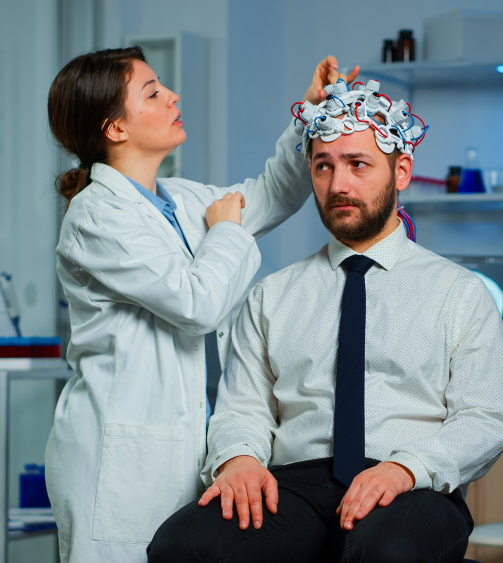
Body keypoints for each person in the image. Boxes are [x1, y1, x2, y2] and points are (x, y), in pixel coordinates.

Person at [146, 80, 503, 563]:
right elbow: (242, 409)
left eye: (358, 164)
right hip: (293, 486)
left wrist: (407, 468)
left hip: (409, 482)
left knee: (390, 550)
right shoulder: (272, 296)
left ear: (400, 171)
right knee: (184, 546)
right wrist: (238, 457)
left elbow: (486, 417)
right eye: (323, 166)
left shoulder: (459, 293)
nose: (338, 184)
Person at [44, 47, 359, 563]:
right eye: (152, 92)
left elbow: (274, 193)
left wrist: (308, 112)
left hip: (185, 448)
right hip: (120, 463)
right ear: (116, 128)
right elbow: (198, 303)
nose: (172, 96)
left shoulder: (181, 200)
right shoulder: (95, 216)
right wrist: (227, 230)